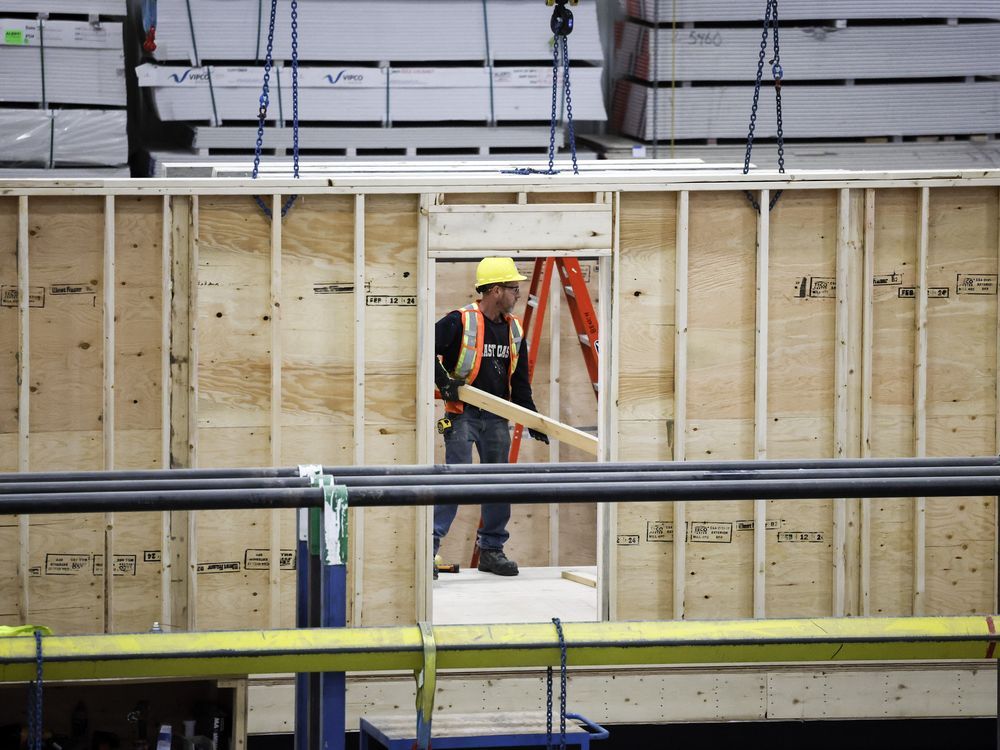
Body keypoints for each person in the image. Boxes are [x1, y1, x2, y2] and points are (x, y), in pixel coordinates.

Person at [433, 256, 549, 577]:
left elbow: (520, 381)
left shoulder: (513, 329)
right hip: (463, 416)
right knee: (455, 482)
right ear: (495, 290)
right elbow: (424, 347)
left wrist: (532, 418)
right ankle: (429, 549)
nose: (517, 295)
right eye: (514, 289)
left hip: (497, 417)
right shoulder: (460, 321)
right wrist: (444, 381)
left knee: (499, 484)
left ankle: (492, 550)